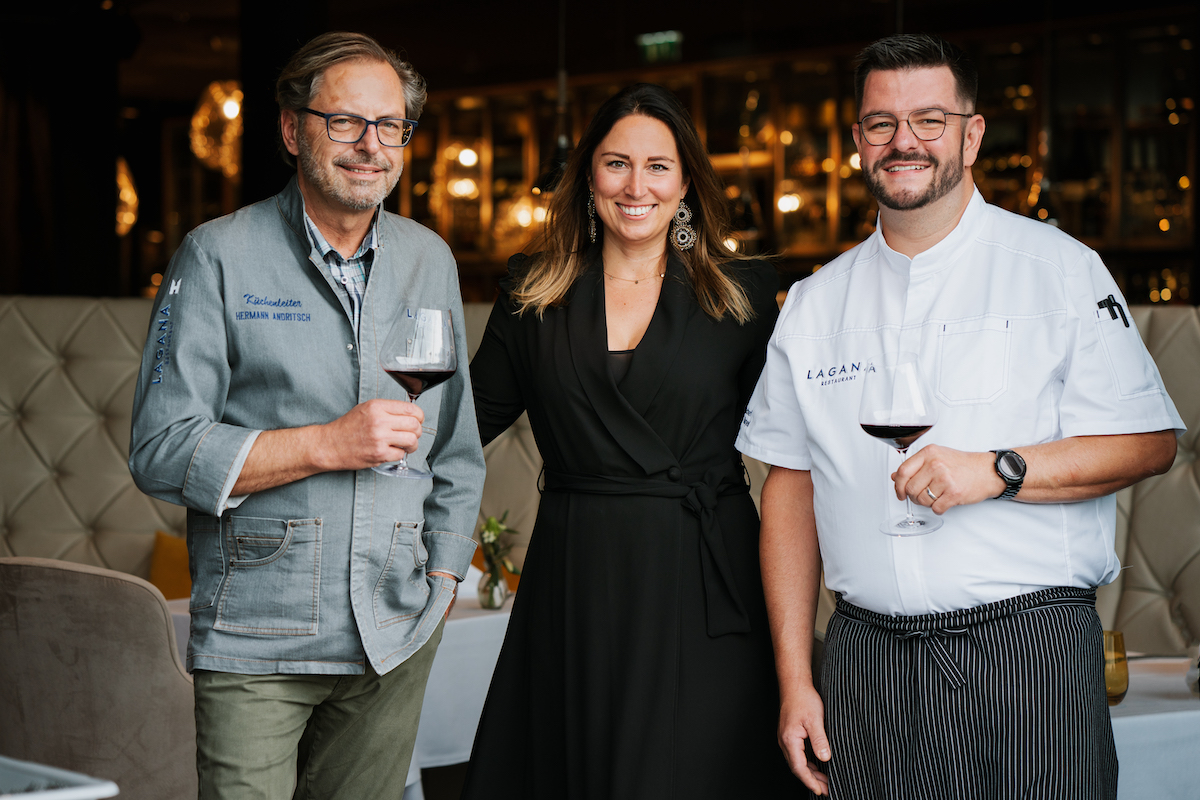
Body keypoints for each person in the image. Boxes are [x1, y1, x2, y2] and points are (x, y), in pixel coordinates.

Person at [736, 34, 1184, 799]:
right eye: (881, 123)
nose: (903, 140)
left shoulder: (1060, 268)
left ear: (973, 134)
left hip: (1026, 651)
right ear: (857, 142)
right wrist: (795, 678)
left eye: (929, 119)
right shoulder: (815, 302)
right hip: (862, 659)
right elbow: (789, 488)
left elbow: (1149, 444)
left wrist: (999, 470)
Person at [128, 32, 485, 800]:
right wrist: (329, 443)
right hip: (260, 638)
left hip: (393, 634)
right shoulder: (215, 256)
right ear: (293, 130)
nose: (371, 146)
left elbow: (454, 449)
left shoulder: (430, 260)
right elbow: (160, 449)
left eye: (390, 126)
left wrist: (444, 576)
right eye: (344, 123)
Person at [462, 83, 799, 798]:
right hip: (576, 574)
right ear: (589, 177)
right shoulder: (534, 289)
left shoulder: (743, 294)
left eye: (657, 166)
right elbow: (459, 430)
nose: (636, 185)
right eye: (616, 164)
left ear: (686, 184)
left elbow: (798, 451)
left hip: (706, 577)